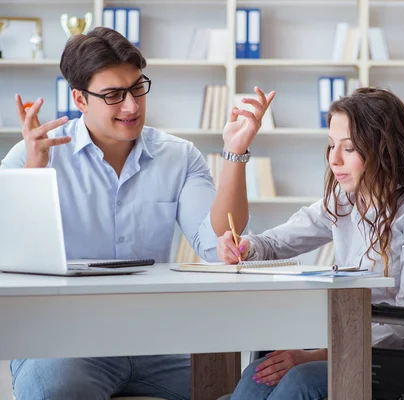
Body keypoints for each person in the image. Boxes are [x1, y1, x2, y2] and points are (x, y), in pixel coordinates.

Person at [1, 27, 274, 400]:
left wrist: (235, 152)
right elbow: (12, 258)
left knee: (239, 388)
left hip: (157, 340)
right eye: (113, 95)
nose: (131, 106)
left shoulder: (178, 157)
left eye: (137, 88)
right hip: (65, 341)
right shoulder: (31, 155)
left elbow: (215, 246)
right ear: (79, 99)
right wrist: (34, 173)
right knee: (56, 389)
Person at [217, 88, 404, 400]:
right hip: (365, 351)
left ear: (384, 149)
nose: (334, 160)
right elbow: (275, 242)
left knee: (300, 379)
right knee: (258, 376)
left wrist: (319, 354)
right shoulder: (343, 201)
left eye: (350, 148)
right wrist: (244, 247)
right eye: (331, 146)